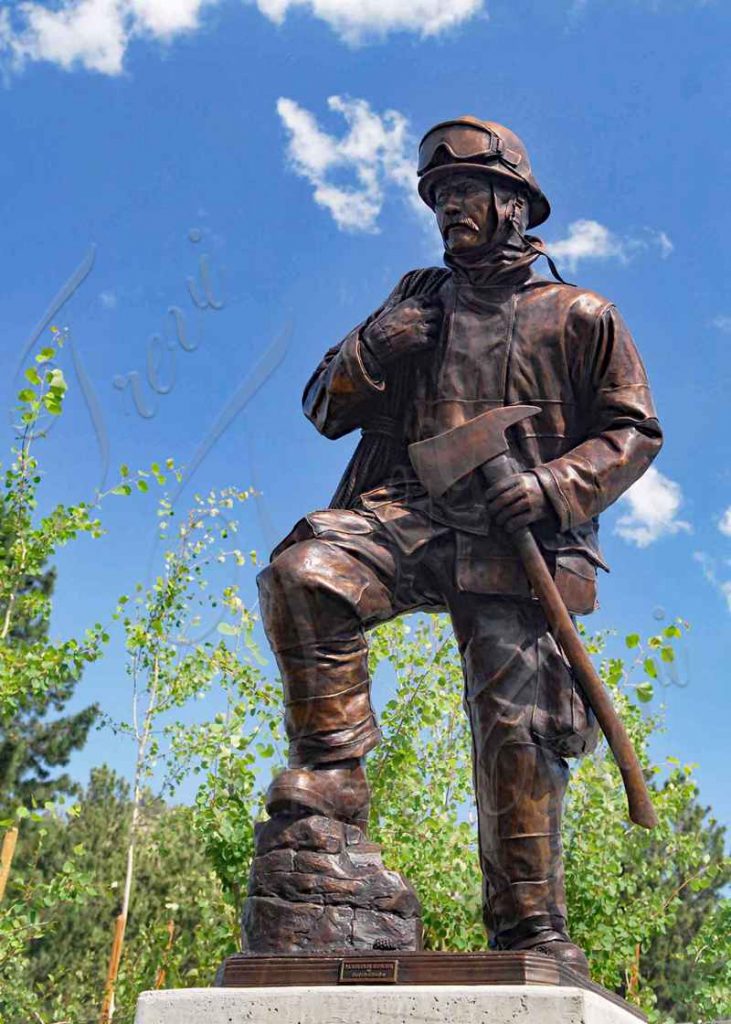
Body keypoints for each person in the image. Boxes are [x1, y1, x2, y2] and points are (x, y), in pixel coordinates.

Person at [257, 116, 663, 974]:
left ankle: (526, 928)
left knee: (516, 733)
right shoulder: (412, 305)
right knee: (306, 573)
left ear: (513, 204)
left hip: (521, 541)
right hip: (413, 512)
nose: (448, 212)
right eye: (437, 198)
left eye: (463, 194)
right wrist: (373, 351)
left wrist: (552, 487)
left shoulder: (578, 315)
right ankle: (334, 773)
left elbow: (631, 433)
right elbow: (323, 410)